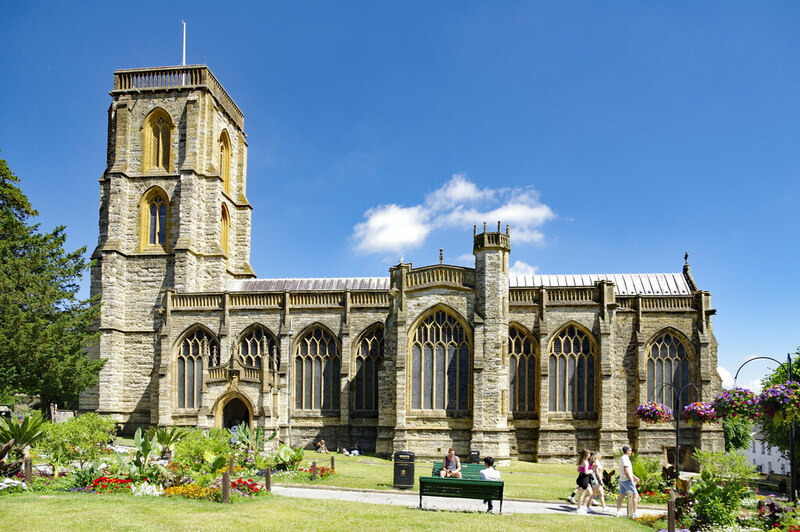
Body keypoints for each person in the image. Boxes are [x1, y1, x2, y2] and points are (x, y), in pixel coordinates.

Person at [616, 445, 640, 517]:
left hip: (622, 479)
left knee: (622, 495)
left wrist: (634, 477)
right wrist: (631, 480)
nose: (631, 452)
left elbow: (628, 470)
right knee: (635, 495)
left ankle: (618, 511)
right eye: (630, 450)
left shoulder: (622, 458)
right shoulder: (625, 459)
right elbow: (626, 471)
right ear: (627, 451)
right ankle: (634, 513)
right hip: (627, 480)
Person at [575, 449, 593, 514]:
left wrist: (582, 469)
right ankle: (579, 508)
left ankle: (584, 506)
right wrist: (591, 471)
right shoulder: (585, 462)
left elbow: (578, 470)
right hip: (584, 478)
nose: (590, 455)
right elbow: (586, 472)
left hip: (583, 477)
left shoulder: (581, 461)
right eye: (589, 454)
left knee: (590, 492)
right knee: (582, 494)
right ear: (586, 455)